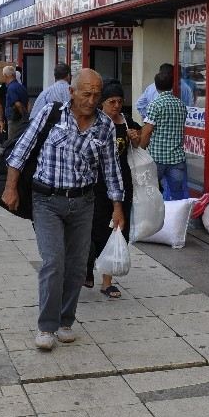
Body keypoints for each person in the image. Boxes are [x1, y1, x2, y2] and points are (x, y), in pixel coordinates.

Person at [1, 69, 125, 351]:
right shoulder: (51, 114)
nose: (92, 100)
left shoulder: (104, 126)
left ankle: (65, 321)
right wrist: (10, 187)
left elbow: (111, 169)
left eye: (96, 95)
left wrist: (118, 207)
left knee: (77, 266)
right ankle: (46, 326)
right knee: (54, 262)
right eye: (86, 93)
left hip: (83, 203)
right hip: (47, 201)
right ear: (72, 92)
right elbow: (21, 150)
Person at [86, 80, 140, 298]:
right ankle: (87, 268)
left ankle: (107, 281)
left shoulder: (126, 122)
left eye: (120, 101)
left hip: (123, 183)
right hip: (97, 184)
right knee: (95, 228)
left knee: (117, 229)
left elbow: (140, 144)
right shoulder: (94, 123)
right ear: (102, 103)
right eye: (111, 102)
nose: (116, 106)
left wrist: (136, 139)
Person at [140, 71, 188, 200]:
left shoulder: (154, 105)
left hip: (157, 158)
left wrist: (140, 151)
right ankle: (177, 219)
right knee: (177, 195)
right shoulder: (181, 105)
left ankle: (158, 218)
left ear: (155, 86)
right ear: (172, 85)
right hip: (177, 158)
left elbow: (147, 131)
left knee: (153, 193)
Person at [3, 65, 29, 140]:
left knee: (12, 140)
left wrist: (24, 117)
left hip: (15, 119)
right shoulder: (21, 87)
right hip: (20, 118)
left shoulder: (11, 88)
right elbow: (27, 102)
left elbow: (18, 104)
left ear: (5, 75)